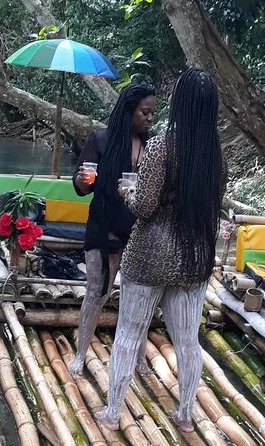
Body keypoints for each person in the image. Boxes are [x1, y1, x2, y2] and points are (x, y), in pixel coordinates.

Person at [96, 68, 222, 432]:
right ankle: (185, 416)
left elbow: (145, 206)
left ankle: (113, 413)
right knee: (188, 342)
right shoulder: (216, 155)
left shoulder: (161, 146)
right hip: (194, 257)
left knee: (128, 335)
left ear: (180, 103)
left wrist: (126, 191)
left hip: (151, 254)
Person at [69, 84, 156, 376]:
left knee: (139, 295)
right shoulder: (101, 140)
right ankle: (80, 354)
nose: (150, 118)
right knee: (97, 291)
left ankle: (140, 358)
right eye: (145, 112)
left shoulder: (152, 146)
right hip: (103, 228)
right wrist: (85, 180)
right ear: (129, 110)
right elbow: (81, 187)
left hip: (139, 231)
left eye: (152, 113)